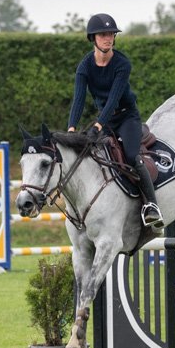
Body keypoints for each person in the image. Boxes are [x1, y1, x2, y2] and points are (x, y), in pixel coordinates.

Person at [67, 13, 163, 231]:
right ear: (93, 38)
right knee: (91, 155)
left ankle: (151, 205)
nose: (108, 38)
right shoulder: (84, 67)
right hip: (105, 119)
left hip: (127, 117)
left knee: (131, 156)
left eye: (111, 34)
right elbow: (79, 100)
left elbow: (113, 100)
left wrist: (97, 126)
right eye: (103, 35)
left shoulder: (122, 64)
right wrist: (71, 129)